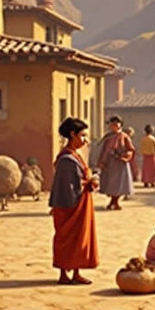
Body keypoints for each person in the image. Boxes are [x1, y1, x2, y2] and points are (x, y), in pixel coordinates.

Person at [49, 116, 99, 285]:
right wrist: (90, 182)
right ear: (72, 135)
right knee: (66, 238)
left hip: (81, 204)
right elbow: (69, 187)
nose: (85, 140)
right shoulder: (66, 160)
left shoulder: (74, 156)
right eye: (82, 136)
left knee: (80, 239)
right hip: (70, 206)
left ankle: (76, 272)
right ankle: (64, 273)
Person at [94, 116, 135, 211]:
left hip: (120, 164)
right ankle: (113, 201)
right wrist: (101, 162)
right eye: (112, 125)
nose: (114, 126)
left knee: (119, 184)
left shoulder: (124, 137)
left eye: (116, 124)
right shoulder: (108, 137)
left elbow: (130, 149)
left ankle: (115, 202)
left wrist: (124, 156)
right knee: (110, 184)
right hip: (109, 163)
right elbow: (103, 150)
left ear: (120, 125)